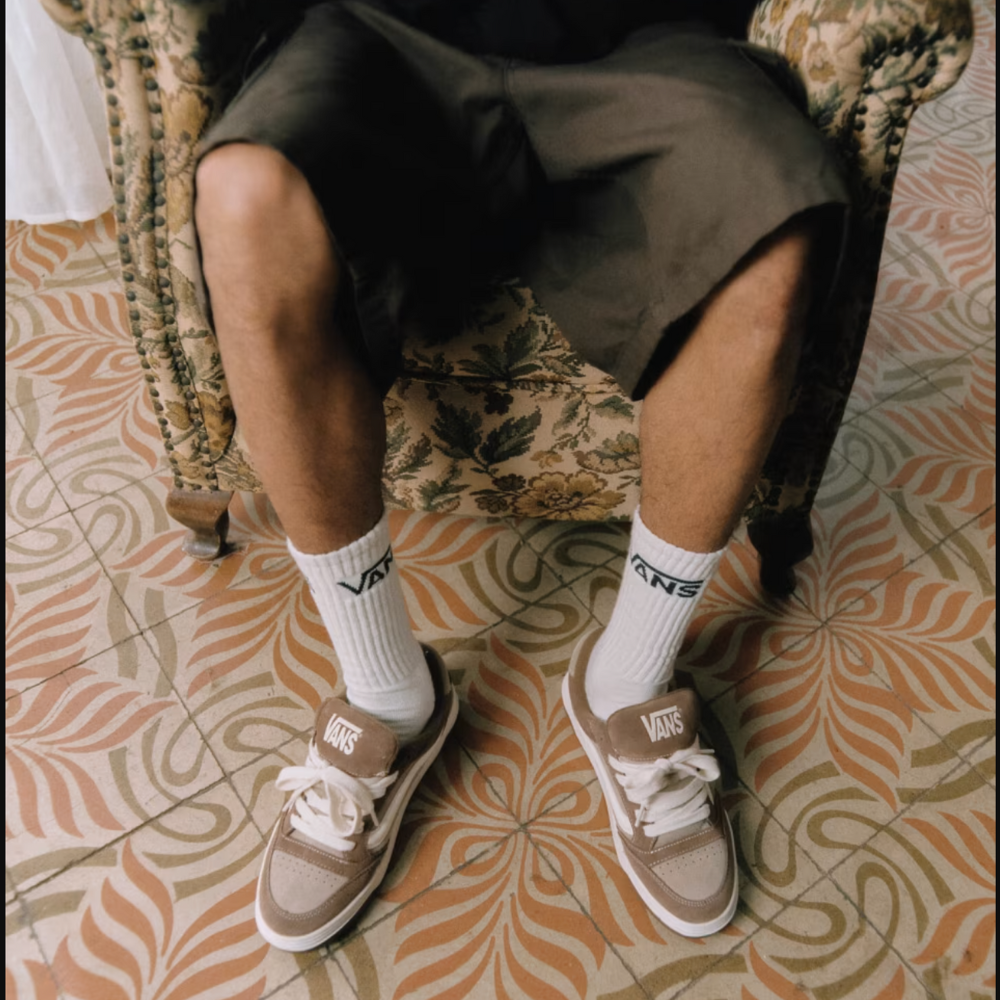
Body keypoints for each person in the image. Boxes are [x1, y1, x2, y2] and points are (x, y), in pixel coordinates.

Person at [193, 0, 848, 952]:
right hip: (385, 33)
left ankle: (629, 679)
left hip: (642, 40)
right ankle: (386, 694)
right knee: (245, 194)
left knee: (775, 234)